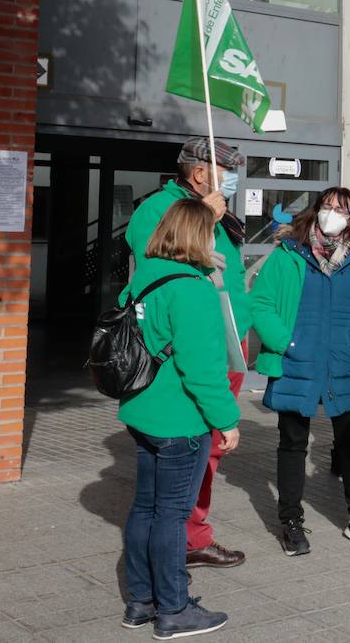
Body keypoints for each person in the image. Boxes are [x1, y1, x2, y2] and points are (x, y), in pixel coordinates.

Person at [124, 136, 249, 570]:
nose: (232, 181)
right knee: (198, 450)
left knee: (208, 453)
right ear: (200, 173)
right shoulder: (163, 209)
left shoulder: (210, 208)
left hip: (223, 347)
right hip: (191, 354)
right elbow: (165, 270)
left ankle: (189, 533)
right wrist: (208, 218)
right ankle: (186, 540)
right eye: (226, 171)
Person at [118, 200, 240, 638]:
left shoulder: (142, 278)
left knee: (145, 508)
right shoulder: (193, 288)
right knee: (170, 515)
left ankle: (140, 601)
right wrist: (227, 420)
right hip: (178, 420)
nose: (214, 240)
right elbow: (204, 370)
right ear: (197, 236)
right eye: (210, 233)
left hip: (142, 412)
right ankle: (173, 609)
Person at [250, 188, 350, 556]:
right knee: (292, 444)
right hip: (296, 363)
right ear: (316, 211)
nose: (333, 214)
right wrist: (286, 343)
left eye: (341, 209)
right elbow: (261, 302)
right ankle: (291, 523)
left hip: (344, 365)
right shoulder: (288, 254)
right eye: (327, 206)